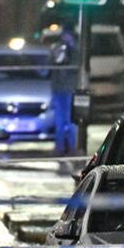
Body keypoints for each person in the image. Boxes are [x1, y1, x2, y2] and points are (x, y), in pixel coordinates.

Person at [51, 22, 78, 155]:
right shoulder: (57, 47)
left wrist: (72, 49)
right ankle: (60, 146)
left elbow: (77, 66)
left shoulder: (76, 49)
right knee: (60, 120)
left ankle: (72, 147)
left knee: (71, 120)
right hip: (58, 89)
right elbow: (50, 68)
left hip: (70, 89)